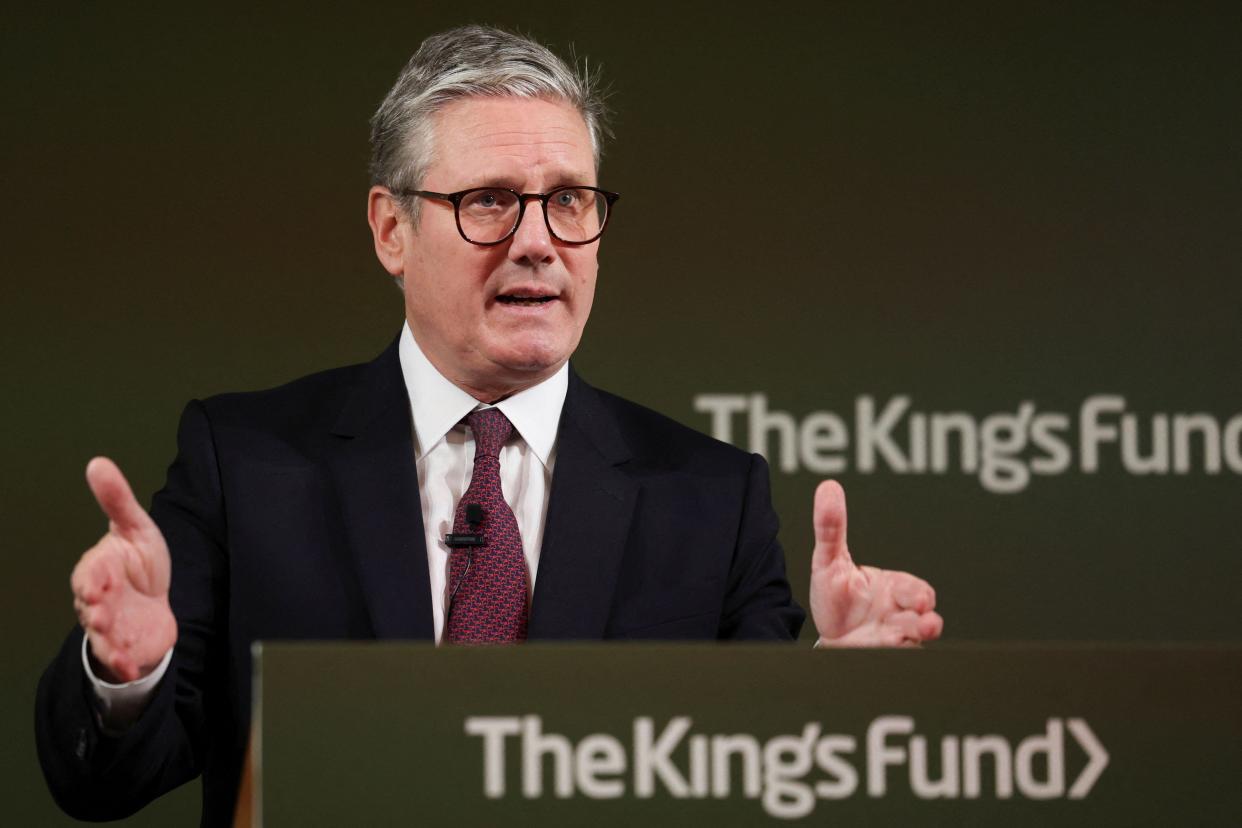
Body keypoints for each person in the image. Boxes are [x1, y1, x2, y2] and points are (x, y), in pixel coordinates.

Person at [36, 25, 942, 825]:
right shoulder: (247, 463)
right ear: (392, 229)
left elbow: (755, 781)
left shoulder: (711, 498)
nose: (539, 241)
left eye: (571, 201)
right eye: (490, 201)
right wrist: (127, 677)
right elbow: (105, 783)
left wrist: (834, 699)